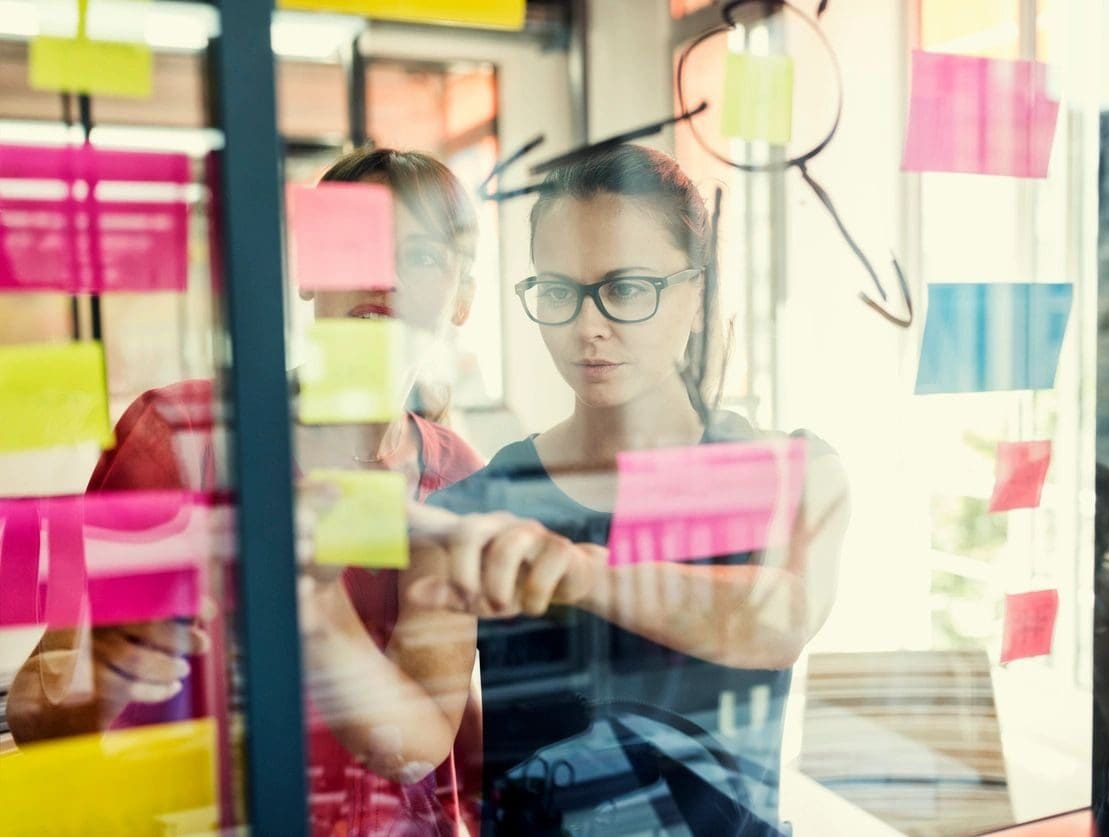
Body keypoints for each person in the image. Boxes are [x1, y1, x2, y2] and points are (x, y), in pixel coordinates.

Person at [6, 149, 590, 837]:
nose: (384, 274)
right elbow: (35, 713)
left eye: (424, 256)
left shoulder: (460, 475)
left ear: (464, 297)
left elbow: (444, 739)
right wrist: (101, 675)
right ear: (311, 271)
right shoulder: (179, 438)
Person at [410, 144, 852, 835]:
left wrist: (579, 571)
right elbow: (417, 740)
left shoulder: (793, 470)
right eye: (559, 291)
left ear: (697, 294)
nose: (589, 326)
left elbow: (779, 618)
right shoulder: (482, 502)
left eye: (625, 288)